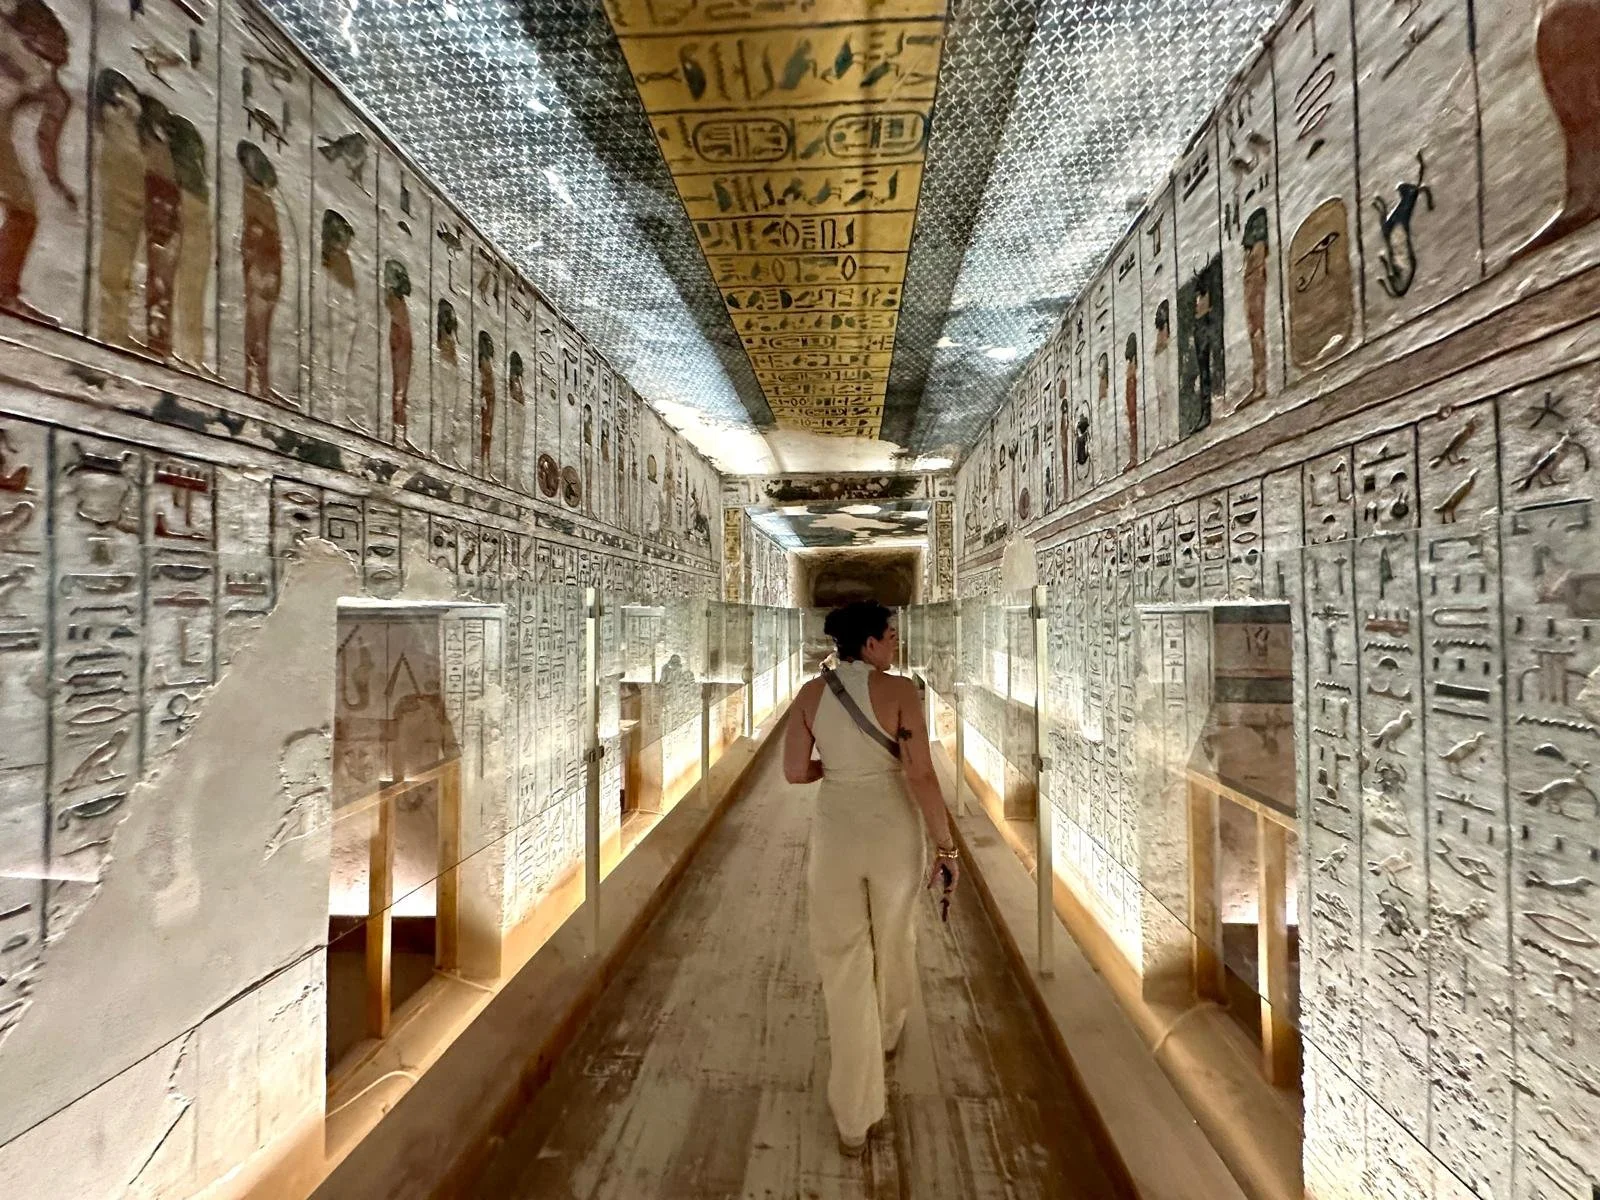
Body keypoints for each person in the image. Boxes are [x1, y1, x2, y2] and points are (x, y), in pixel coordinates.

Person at [784, 601, 960, 1157]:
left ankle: (855, 1118)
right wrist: (945, 843)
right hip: (891, 833)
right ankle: (886, 1031)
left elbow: (793, 772)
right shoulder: (901, 691)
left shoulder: (812, 696)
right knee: (895, 934)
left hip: (836, 834)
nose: (893, 646)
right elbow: (920, 771)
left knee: (843, 962)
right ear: (868, 645)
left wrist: (832, 770)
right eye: (888, 637)